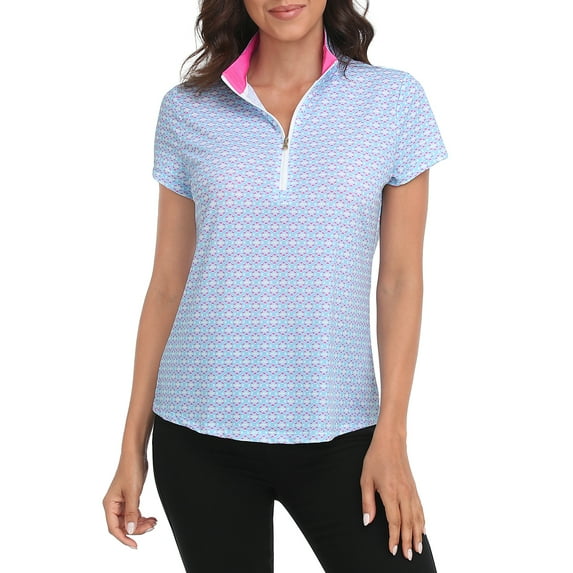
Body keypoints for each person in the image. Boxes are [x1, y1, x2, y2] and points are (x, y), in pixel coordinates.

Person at [102, 1, 448, 571]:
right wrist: (131, 446)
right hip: (199, 431)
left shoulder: (393, 102)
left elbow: (401, 282)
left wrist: (392, 435)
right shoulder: (188, 109)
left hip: (342, 429)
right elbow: (167, 284)